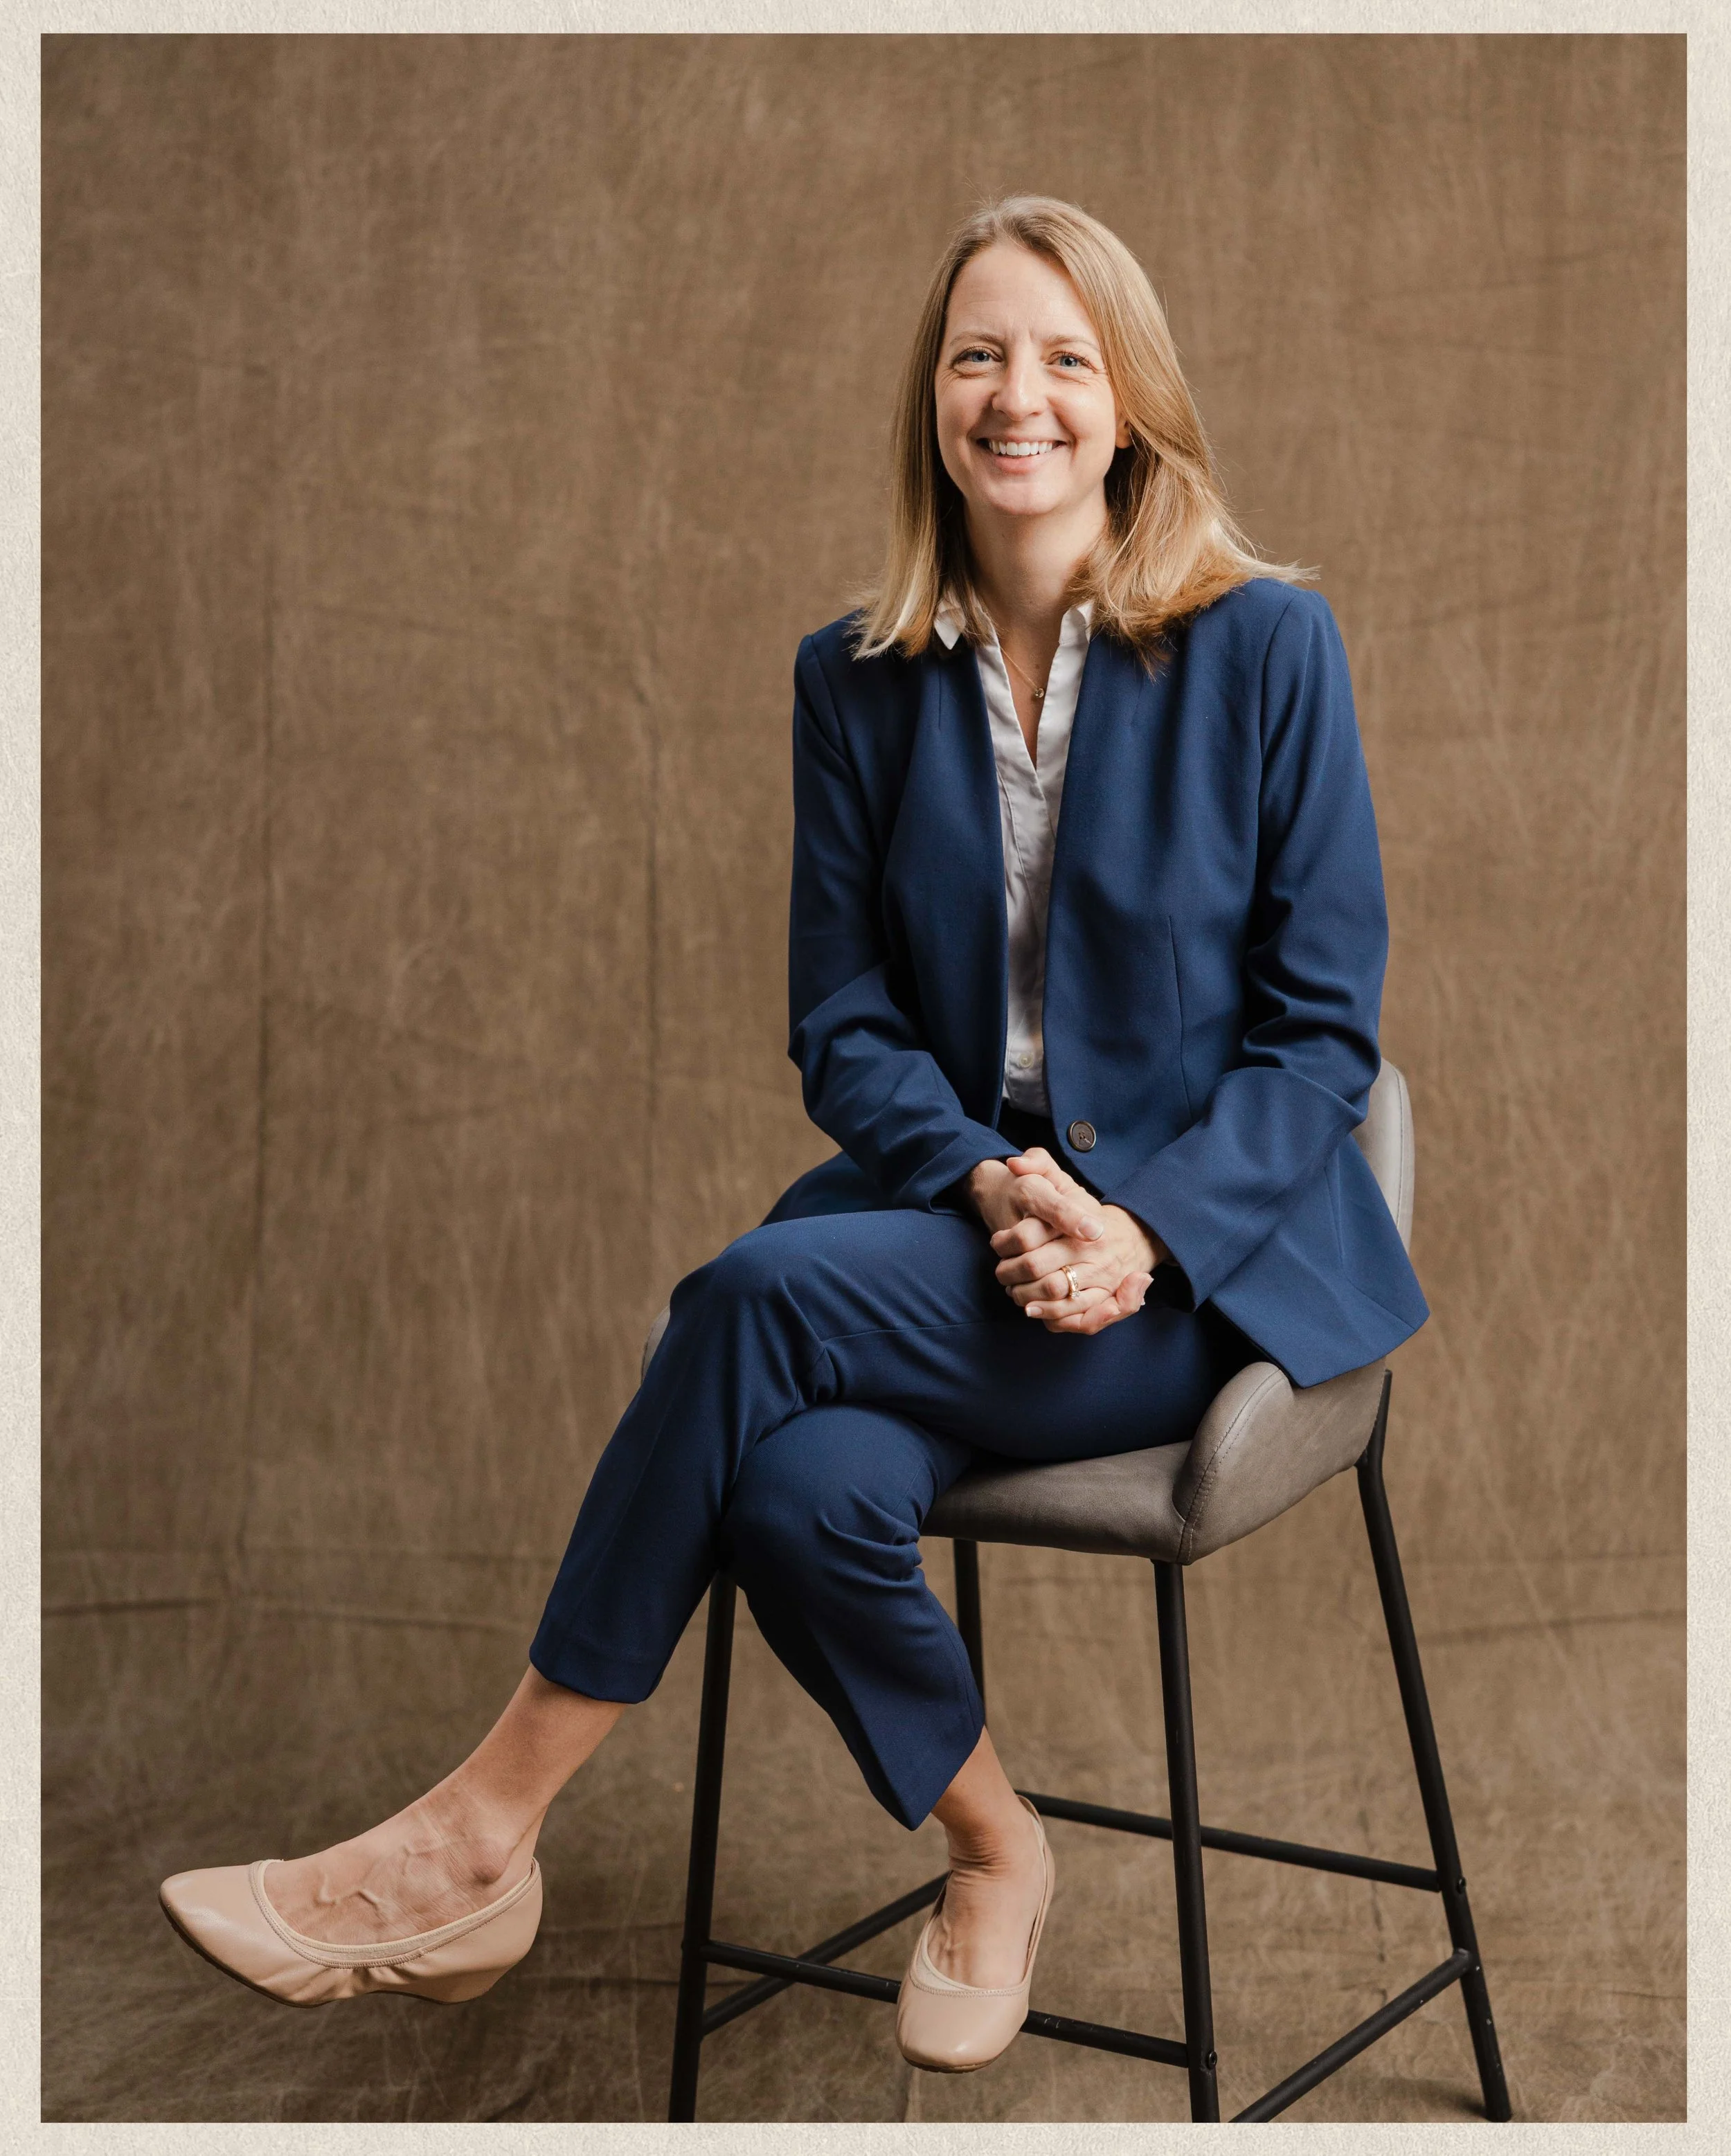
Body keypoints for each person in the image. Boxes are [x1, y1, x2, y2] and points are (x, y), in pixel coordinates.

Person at [159, 195, 1427, 2074]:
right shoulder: (854, 677)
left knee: (743, 1305)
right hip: (956, 1236)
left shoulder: (1265, 651)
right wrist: (991, 1181)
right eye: (978, 354)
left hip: (1197, 1283)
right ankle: (997, 1852)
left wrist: (1130, 1227)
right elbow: (838, 1028)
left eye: (1066, 358)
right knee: (793, 1488)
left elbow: (1321, 1037)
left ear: (1133, 401)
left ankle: (471, 1838)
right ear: (929, 398)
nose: (1020, 397)